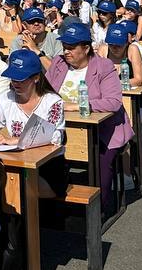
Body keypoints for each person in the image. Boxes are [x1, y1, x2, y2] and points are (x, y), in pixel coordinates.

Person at [46, 21, 134, 208]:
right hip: (61, 126)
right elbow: (44, 92)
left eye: (71, 47)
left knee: (101, 163)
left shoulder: (104, 66)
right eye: (64, 47)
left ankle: (99, 209)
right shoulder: (58, 62)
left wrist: (76, 106)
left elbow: (114, 102)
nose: (66, 51)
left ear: (86, 48)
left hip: (103, 128)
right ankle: (51, 207)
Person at [0, 49, 66, 152]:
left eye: (20, 79)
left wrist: (18, 140)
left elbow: (55, 136)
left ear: (36, 78)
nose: (16, 83)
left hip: (48, 161)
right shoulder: (6, 98)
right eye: (13, 78)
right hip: (17, 158)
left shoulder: (53, 102)